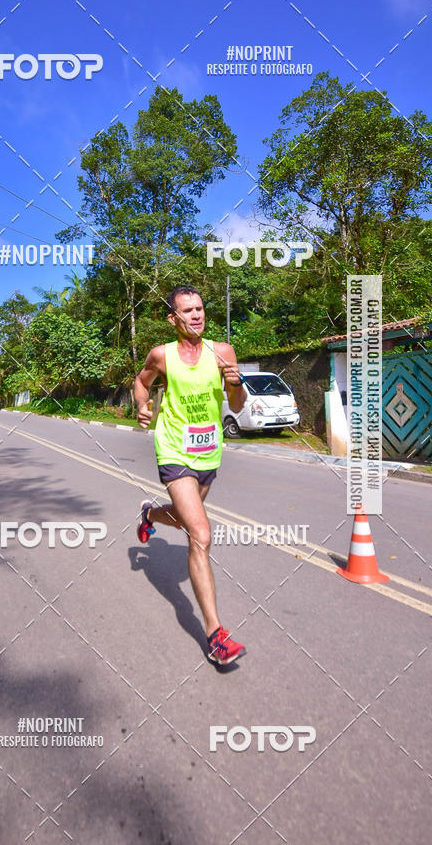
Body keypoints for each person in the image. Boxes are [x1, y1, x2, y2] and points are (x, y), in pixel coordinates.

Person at [134, 285, 248, 666]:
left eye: (200, 308)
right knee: (200, 533)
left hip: (208, 452)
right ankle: (216, 635)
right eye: (188, 310)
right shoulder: (161, 355)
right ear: (173, 318)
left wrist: (236, 383)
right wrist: (143, 405)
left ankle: (149, 514)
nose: (197, 315)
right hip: (173, 449)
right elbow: (141, 383)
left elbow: (236, 405)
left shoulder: (223, 352)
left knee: (186, 520)